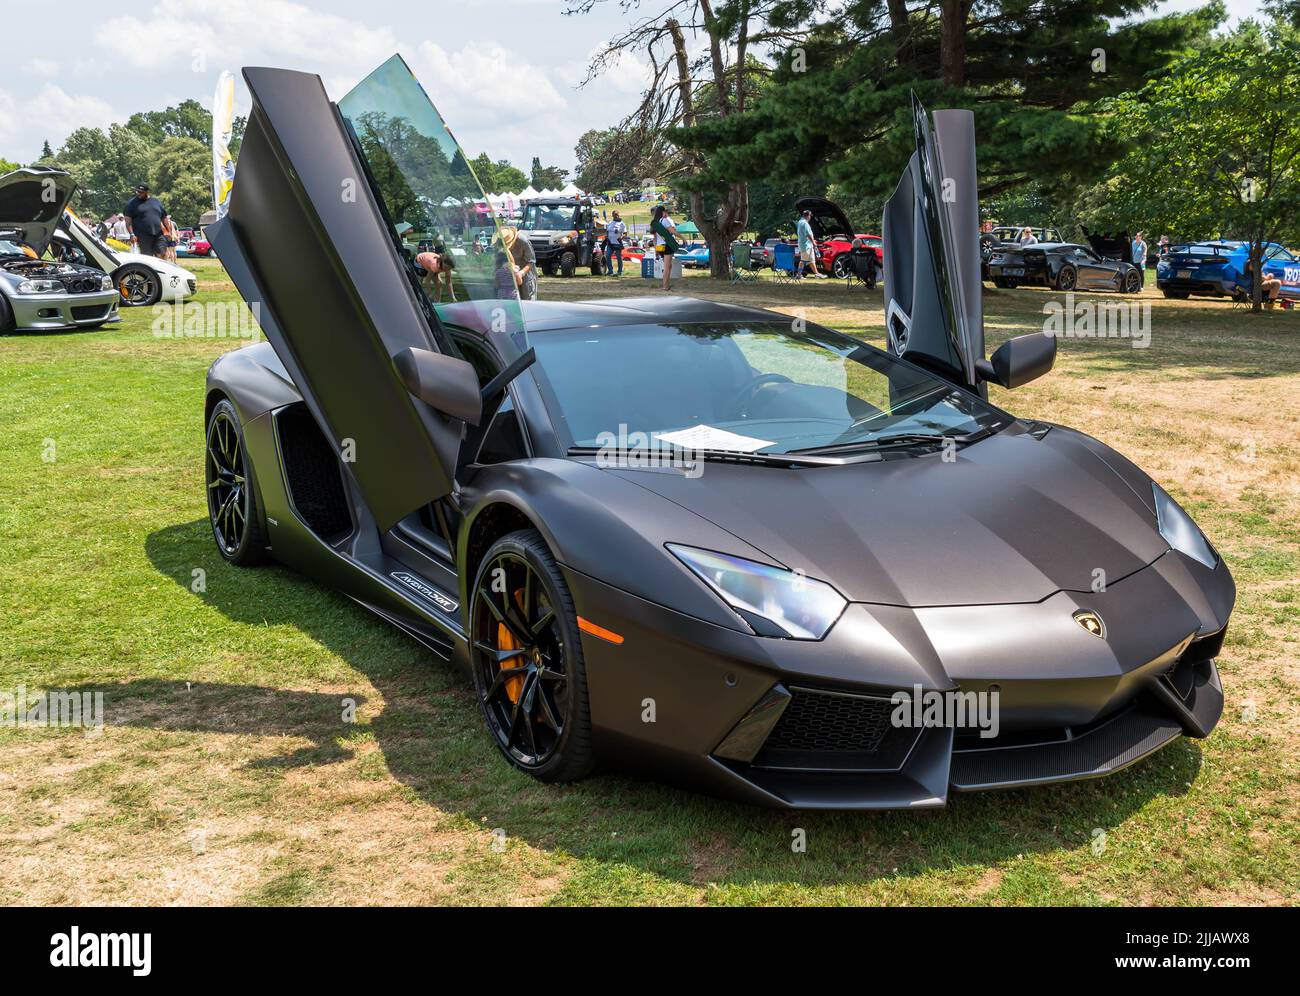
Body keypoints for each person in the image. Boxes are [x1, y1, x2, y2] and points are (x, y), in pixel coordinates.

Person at [123, 184, 169, 258]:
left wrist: (168, 231)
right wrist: (132, 234)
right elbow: (128, 222)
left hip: (158, 234)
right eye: (137, 191)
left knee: (162, 253)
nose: (138, 193)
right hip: (142, 236)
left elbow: (164, 217)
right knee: (147, 257)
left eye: (141, 192)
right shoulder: (131, 204)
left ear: (147, 192)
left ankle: (159, 269)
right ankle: (149, 269)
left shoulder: (156, 202)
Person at [499, 226, 537, 300]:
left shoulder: (523, 241)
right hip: (511, 277)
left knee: (527, 301)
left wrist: (521, 273)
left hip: (526, 275)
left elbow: (531, 261)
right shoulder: (500, 241)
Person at [650, 204, 679, 291]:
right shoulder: (665, 220)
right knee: (667, 267)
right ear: (663, 212)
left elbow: (654, 238)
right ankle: (665, 286)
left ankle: (666, 285)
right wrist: (683, 238)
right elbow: (673, 232)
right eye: (665, 211)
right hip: (667, 245)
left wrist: (656, 249)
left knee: (668, 266)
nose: (666, 213)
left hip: (659, 246)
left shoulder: (655, 222)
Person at [796, 209, 825, 278]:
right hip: (805, 245)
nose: (810, 217)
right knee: (803, 261)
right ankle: (798, 275)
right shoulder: (805, 223)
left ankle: (817, 274)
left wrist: (812, 242)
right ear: (808, 216)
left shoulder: (800, 222)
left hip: (806, 244)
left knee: (811, 260)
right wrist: (813, 242)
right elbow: (808, 234)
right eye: (810, 216)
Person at [605, 210, 627, 277]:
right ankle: (610, 271)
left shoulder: (622, 223)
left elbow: (625, 233)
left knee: (618, 257)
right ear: (612, 215)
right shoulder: (610, 222)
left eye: (616, 215)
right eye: (614, 215)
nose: (615, 216)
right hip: (610, 242)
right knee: (608, 256)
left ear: (618, 215)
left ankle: (619, 271)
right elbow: (607, 231)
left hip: (617, 243)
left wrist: (622, 237)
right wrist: (606, 236)